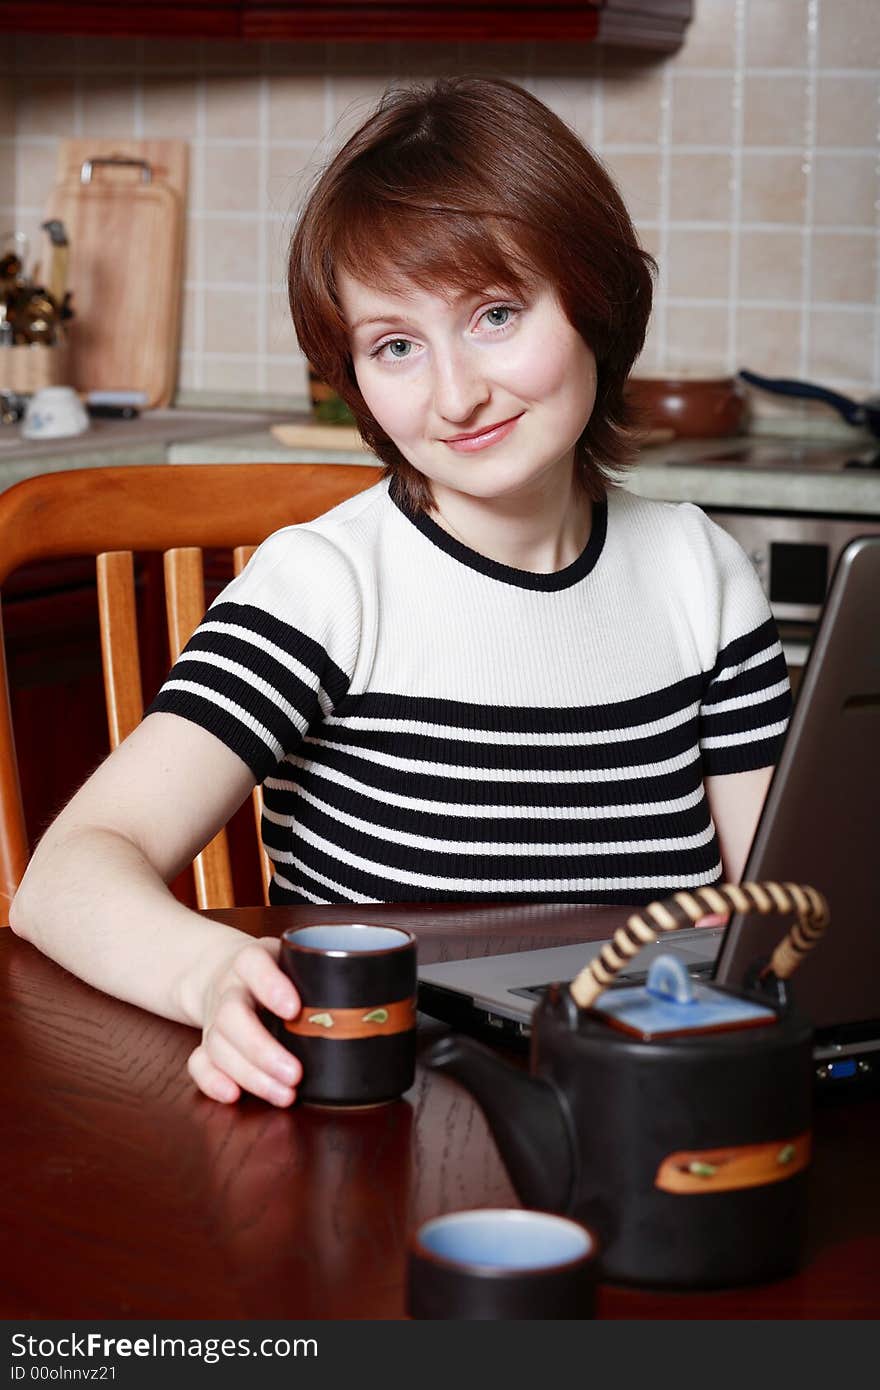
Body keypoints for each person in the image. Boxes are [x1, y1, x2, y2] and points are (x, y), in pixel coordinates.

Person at [10, 76, 791, 1108]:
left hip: (645, 1109)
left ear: (595, 300)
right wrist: (204, 975)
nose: (455, 394)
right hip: (384, 1114)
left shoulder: (701, 573)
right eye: (394, 347)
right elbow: (67, 874)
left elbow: (782, 911)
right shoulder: (326, 587)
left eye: (496, 313)